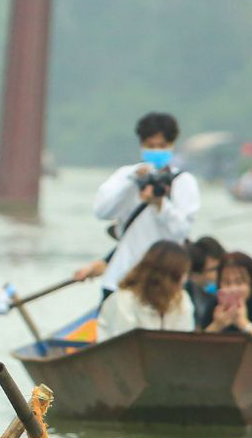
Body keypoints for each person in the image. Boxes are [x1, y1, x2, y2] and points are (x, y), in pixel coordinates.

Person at [75, 112, 201, 293]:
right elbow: (102, 212)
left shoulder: (183, 181)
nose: (156, 151)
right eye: (151, 146)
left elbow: (181, 231)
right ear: (141, 145)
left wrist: (160, 205)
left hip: (164, 282)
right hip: (121, 278)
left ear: (172, 146)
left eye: (162, 146)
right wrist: (132, 183)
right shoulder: (126, 175)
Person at [95, 241, 194, 341]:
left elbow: (183, 343)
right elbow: (124, 347)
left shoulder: (182, 300)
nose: (185, 279)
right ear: (168, 277)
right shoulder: (123, 301)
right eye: (181, 274)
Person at [186, 235, 227, 327]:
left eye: (223, 265)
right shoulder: (184, 296)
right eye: (214, 269)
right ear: (194, 276)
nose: (222, 272)